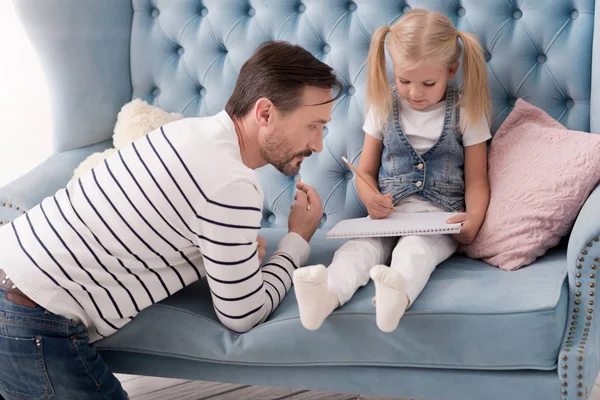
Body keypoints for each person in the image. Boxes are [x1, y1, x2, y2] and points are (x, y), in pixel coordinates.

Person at [0, 41, 342, 400]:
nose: (318, 144)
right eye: (313, 126)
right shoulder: (232, 182)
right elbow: (244, 313)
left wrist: (224, 254)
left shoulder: (185, 133)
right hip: (30, 317)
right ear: (266, 113)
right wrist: (297, 240)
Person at [293, 8, 492, 333]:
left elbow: (478, 180)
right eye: (404, 80)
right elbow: (366, 173)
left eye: (428, 83)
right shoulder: (384, 106)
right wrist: (370, 199)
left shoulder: (466, 109)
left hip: (438, 221)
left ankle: (395, 295)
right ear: (393, 70)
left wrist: (474, 220)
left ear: (451, 70)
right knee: (358, 249)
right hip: (387, 216)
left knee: (415, 251)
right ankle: (325, 295)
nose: (415, 92)